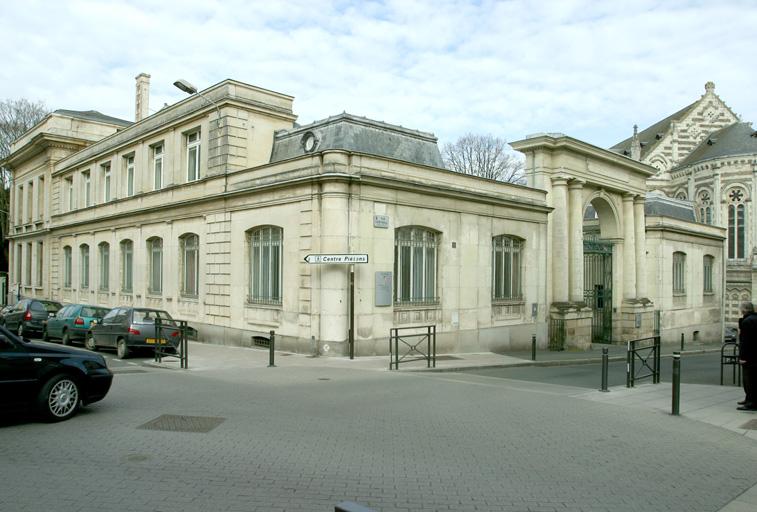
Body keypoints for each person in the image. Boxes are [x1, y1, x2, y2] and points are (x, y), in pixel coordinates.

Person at [738, 301, 757, 411]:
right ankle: (749, 399)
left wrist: (742, 357)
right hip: (754, 356)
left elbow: (745, 341)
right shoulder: (754, 319)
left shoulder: (748, 321)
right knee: (753, 379)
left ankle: (751, 402)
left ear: (744, 309)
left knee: (749, 380)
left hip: (749, 356)